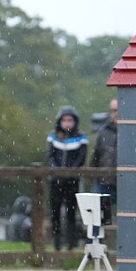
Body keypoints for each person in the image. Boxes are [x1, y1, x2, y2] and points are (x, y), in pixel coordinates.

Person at [47, 106, 88, 251]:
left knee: (71, 213)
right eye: (64, 120)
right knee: (55, 212)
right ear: (60, 121)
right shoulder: (54, 137)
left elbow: (81, 158)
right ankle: (57, 244)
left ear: (74, 121)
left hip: (72, 180)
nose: (67, 123)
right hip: (56, 180)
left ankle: (71, 244)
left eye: (70, 120)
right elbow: (50, 157)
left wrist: (70, 172)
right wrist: (57, 171)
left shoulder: (81, 138)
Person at [91, 98, 118, 224]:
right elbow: (96, 155)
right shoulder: (103, 132)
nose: (116, 113)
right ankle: (98, 241)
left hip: (127, 183)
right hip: (105, 181)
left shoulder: (135, 130)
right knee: (100, 216)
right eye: (114, 110)